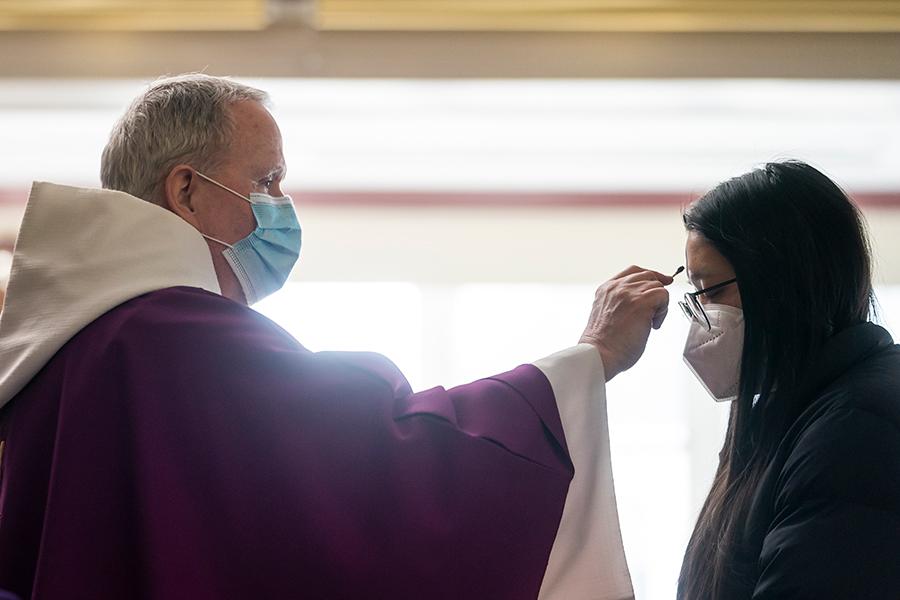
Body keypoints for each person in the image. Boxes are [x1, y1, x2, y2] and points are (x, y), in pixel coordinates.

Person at [0, 74, 671, 600]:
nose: (281, 205)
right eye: (265, 180)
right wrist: (589, 361)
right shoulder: (172, 336)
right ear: (186, 190)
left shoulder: (80, 343)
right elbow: (378, 457)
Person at [676, 161, 900, 599]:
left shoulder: (856, 427)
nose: (703, 319)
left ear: (781, 282)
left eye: (713, 291)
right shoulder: (795, 412)